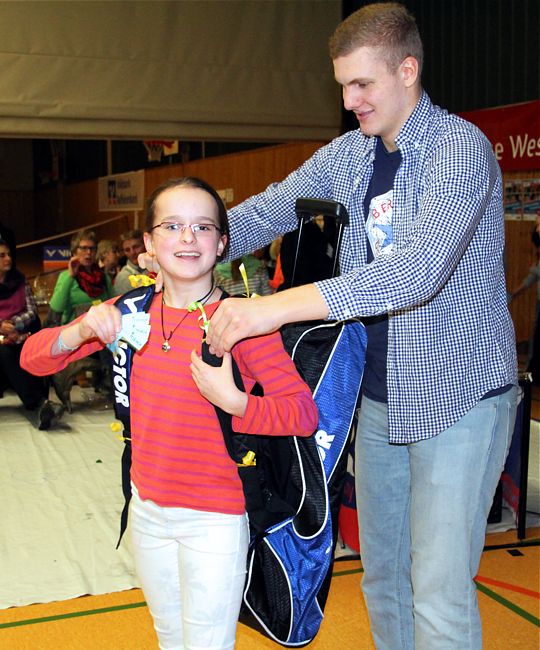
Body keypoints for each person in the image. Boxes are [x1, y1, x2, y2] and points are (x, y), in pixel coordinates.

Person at [139, 4, 518, 648]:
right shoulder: (351, 154)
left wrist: (273, 306)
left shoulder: (461, 150)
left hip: (460, 400)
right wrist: (195, 239)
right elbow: (270, 210)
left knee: (440, 591)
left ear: (407, 70)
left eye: (361, 84)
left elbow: (415, 274)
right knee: (382, 578)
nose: (349, 100)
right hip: (378, 401)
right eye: (342, 85)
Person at [22, 177, 318, 650]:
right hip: (147, 512)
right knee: (169, 639)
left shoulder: (240, 322)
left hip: (215, 519)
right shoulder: (128, 309)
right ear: (148, 243)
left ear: (222, 244)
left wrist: (236, 402)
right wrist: (79, 334)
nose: (187, 238)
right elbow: (32, 359)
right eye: (172, 225)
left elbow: (302, 414)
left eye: (202, 227)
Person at [0, 239, 62, 430]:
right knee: (4, 352)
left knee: (13, 351)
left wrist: (13, 325)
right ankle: (37, 402)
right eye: (2, 256)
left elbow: (31, 311)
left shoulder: (19, 280)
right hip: (2, 339)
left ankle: (37, 403)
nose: (8, 258)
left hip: (21, 335)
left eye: (9, 254)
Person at [48, 229, 113, 325]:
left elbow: (112, 306)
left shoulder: (104, 277)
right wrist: (71, 277)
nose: (88, 252)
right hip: (73, 331)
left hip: (99, 329)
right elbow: (57, 308)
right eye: (83, 248)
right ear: (74, 252)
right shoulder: (66, 276)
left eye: (92, 248)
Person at [114, 229, 148, 295]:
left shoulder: (157, 266)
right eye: (127, 250)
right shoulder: (123, 277)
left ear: (145, 245)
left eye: (136, 247)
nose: (132, 253)